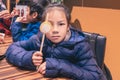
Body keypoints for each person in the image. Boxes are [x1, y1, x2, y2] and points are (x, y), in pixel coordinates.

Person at [5, 3, 107, 80]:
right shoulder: (39, 40)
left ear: (68, 27)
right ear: (43, 26)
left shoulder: (79, 45)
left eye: (61, 24)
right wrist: (29, 58)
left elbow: (95, 75)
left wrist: (59, 66)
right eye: (49, 24)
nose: (55, 30)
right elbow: (12, 48)